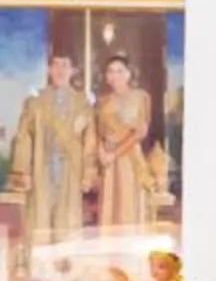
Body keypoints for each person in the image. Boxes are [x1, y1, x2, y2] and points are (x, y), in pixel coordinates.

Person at [9, 50, 92, 264]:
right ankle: (40, 266)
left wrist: (88, 172)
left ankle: (67, 268)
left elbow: (90, 141)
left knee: (68, 216)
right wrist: (23, 171)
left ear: (73, 70)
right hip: (41, 167)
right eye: (55, 65)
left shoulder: (83, 103)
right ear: (48, 69)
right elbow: (23, 137)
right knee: (40, 215)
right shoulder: (34, 102)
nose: (60, 71)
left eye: (65, 65)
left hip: (70, 168)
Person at [92, 54, 163, 231]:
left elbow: (140, 132)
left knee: (129, 207)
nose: (115, 76)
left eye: (120, 71)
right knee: (109, 206)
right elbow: (97, 132)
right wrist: (102, 153)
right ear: (106, 77)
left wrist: (114, 154)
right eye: (110, 72)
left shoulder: (141, 97)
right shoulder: (102, 101)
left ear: (128, 74)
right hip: (108, 161)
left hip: (130, 158)